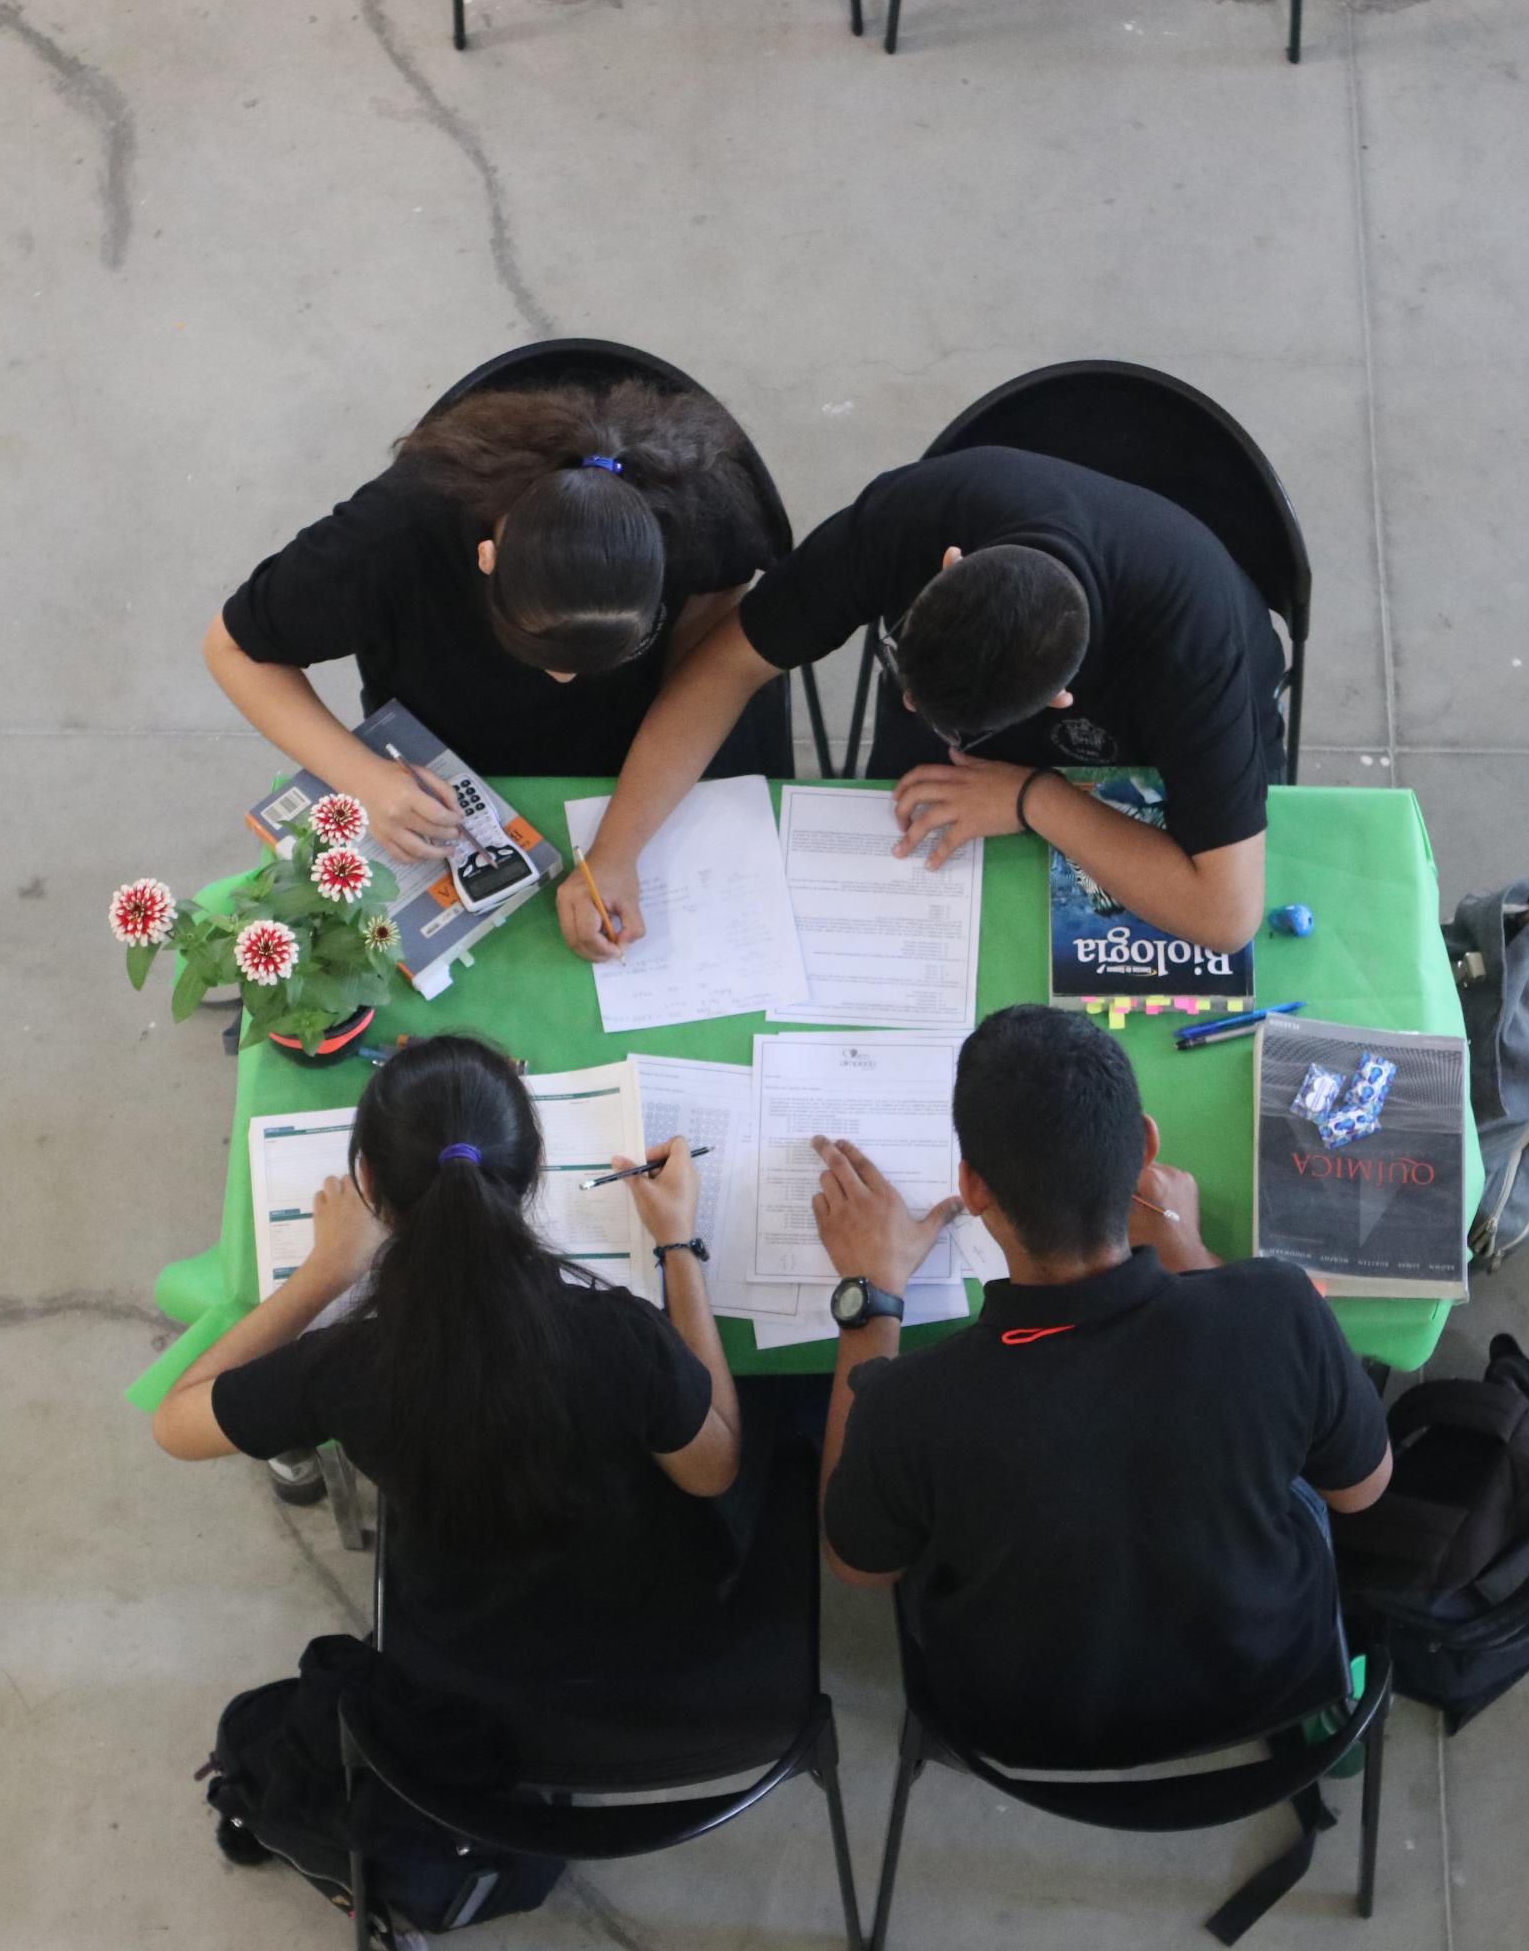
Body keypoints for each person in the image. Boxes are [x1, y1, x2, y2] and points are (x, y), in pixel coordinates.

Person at [811, 1005, 1392, 1765]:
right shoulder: (1279, 1310)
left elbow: (858, 1563)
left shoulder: (908, 1406)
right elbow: (1361, 1491)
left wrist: (870, 1298)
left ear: (973, 1187)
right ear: (1146, 1145)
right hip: (1267, 1682)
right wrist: (1187, 1250)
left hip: (1020, 1730)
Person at [147, 1035, 743, 1667]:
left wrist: (324, 1273)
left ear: (369, 1181)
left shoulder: (344, 1367)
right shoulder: (624, 1336)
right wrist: (678, 1245)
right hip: (632, 1631)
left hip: (455, 1650)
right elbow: (714, 1471)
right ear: (531, 1171)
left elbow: (174, 1425)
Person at [564, 445, 1281, 957]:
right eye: (904, 679)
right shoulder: (915, 515)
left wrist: (1035, 798)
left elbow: (1225, 914)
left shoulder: (1194, 649)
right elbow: (729, 665)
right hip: (973, 759)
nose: (908, 709)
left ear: (1062, 696)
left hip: (1128, 764)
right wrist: (615, 850)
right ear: (947, 567)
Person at [204, 379, 790, 865]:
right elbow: (233, 649)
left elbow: (712, 640)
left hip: (631, 750)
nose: (564, 680)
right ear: (486, 560)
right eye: (536, 647)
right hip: (445, 753)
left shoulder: (701, 511)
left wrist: (627, 832)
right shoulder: (395, 534)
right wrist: (365, 779)